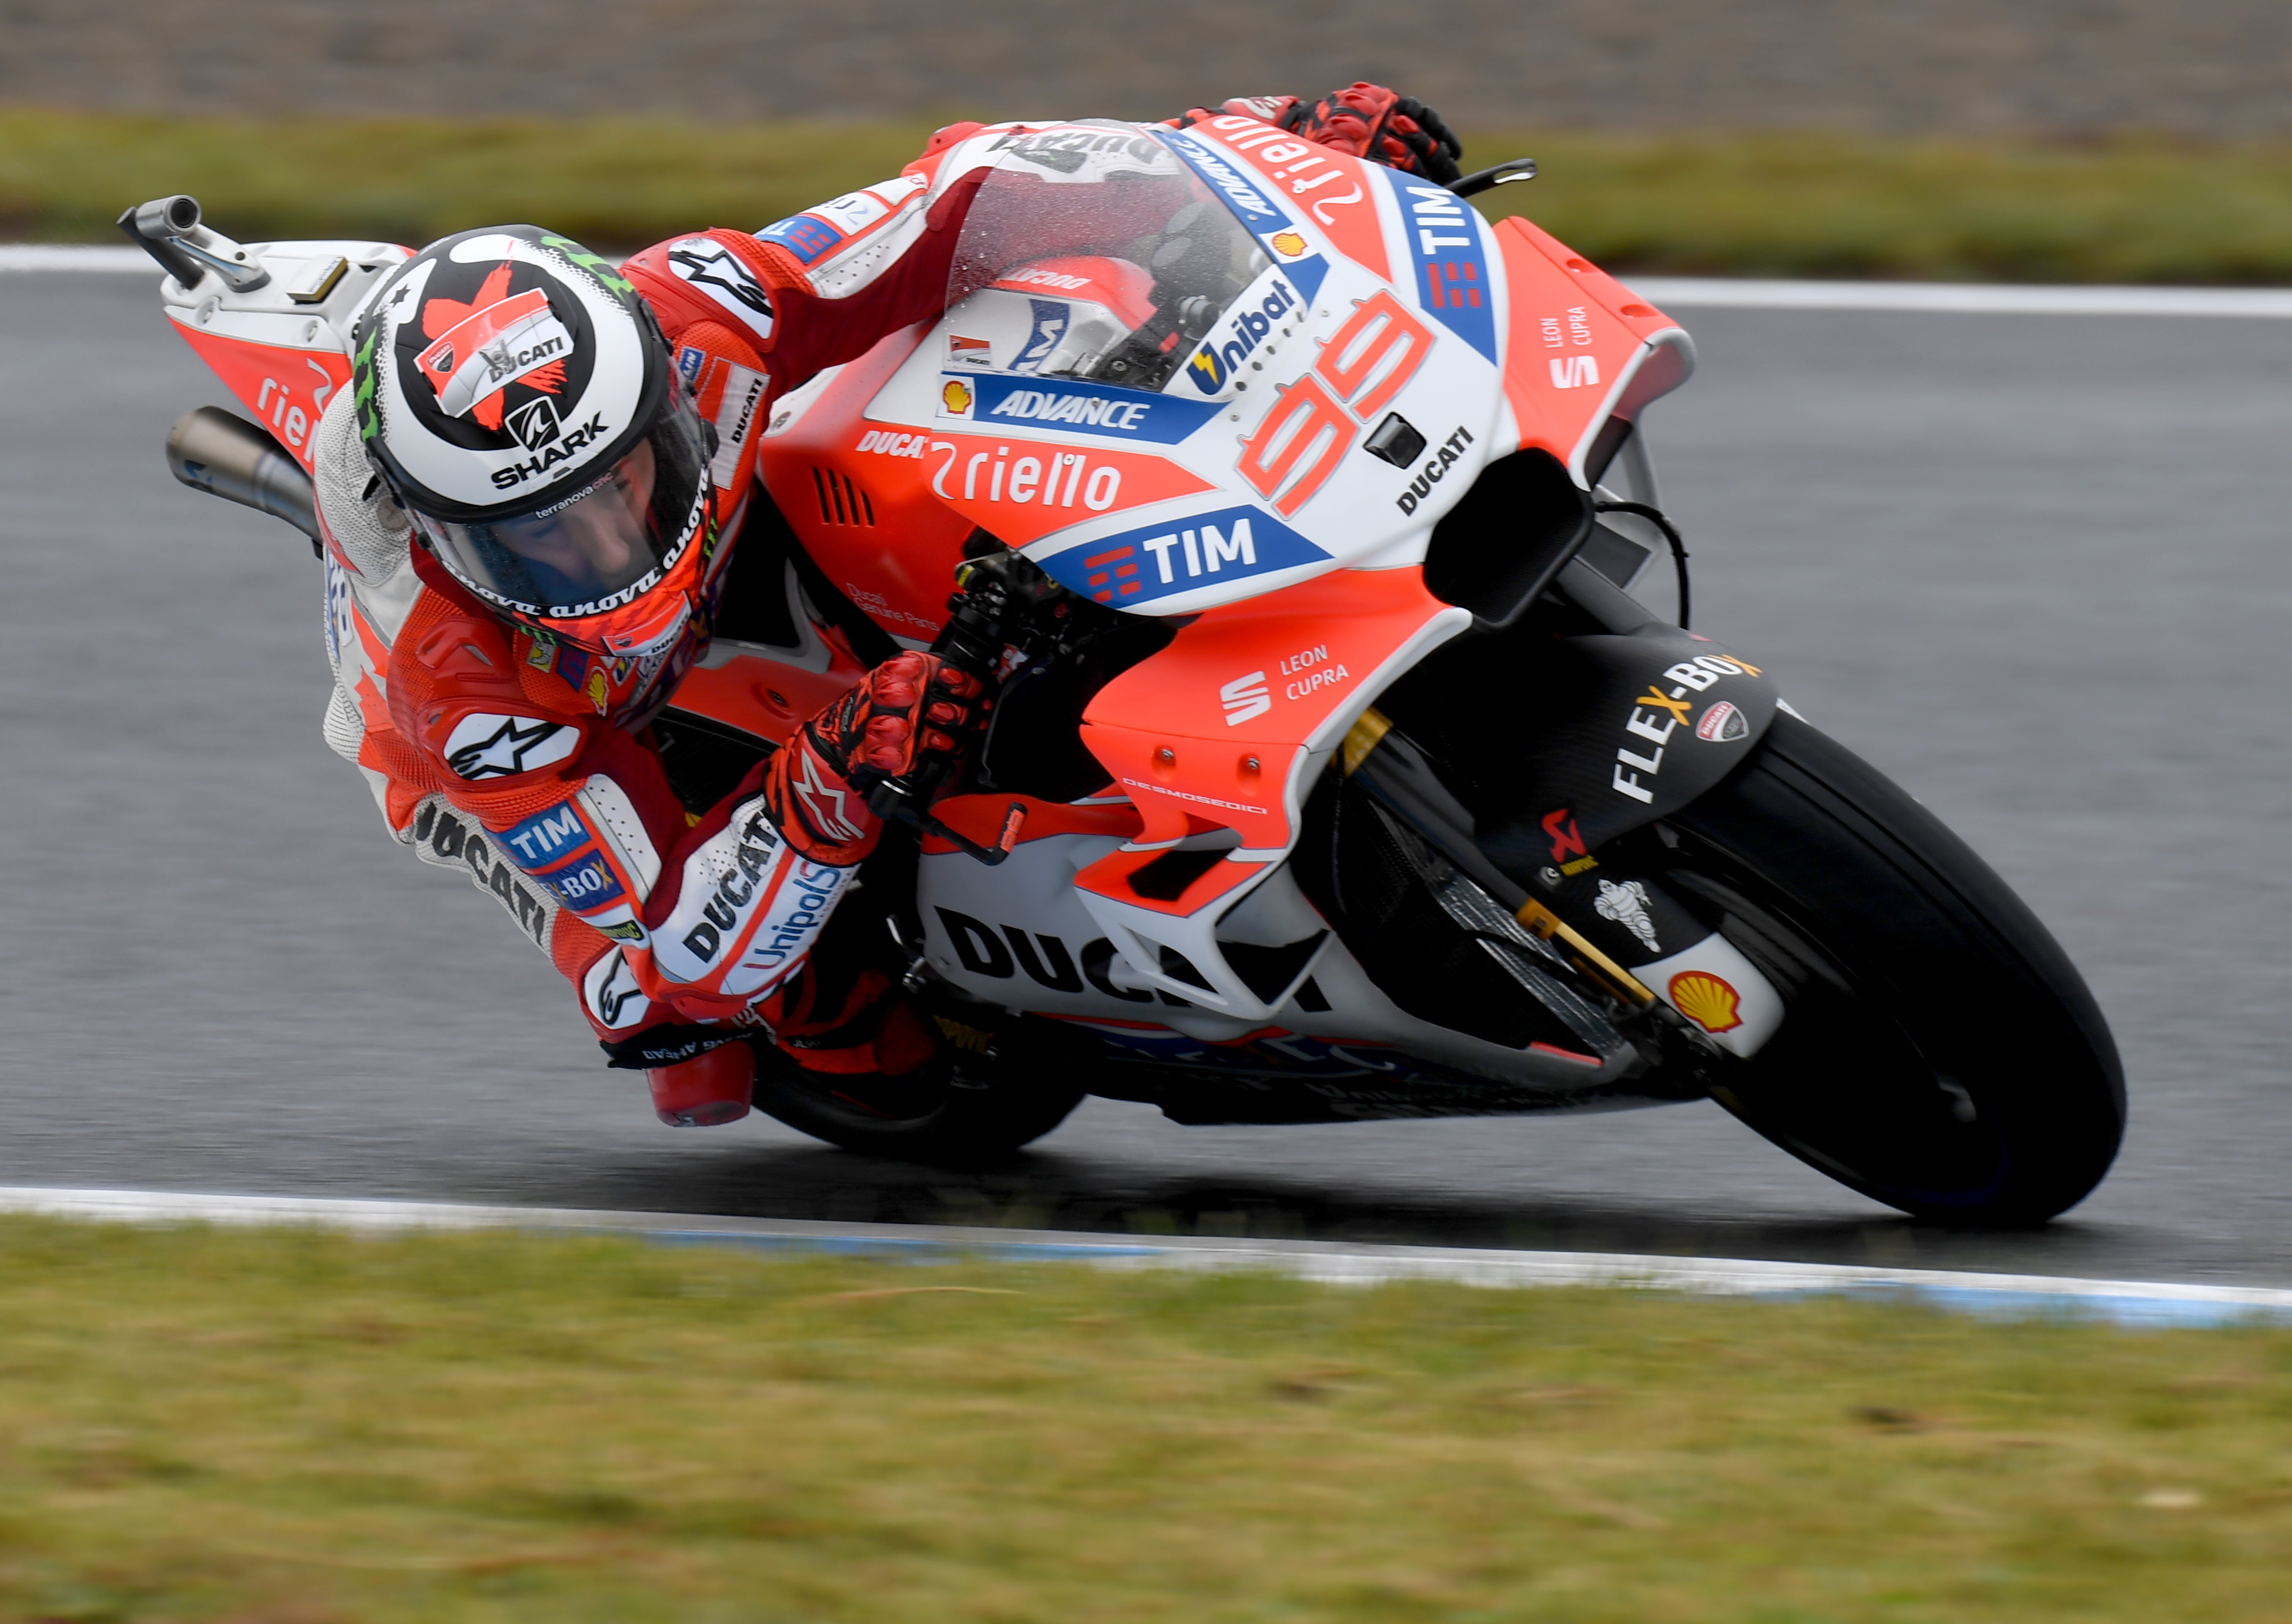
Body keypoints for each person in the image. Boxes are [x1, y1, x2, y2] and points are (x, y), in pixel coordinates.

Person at [310, 85, 1463, 1128]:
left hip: (736, 532)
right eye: (536, 538)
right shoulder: (455, 691)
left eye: (624, 486)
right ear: (446, 534)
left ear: (661, 398)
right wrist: (827, 777)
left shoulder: (702, 308)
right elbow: (677, 942)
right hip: (516, 741)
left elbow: (961, 196)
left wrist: (1262, 146)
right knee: (682, 1018)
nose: (608, 553)